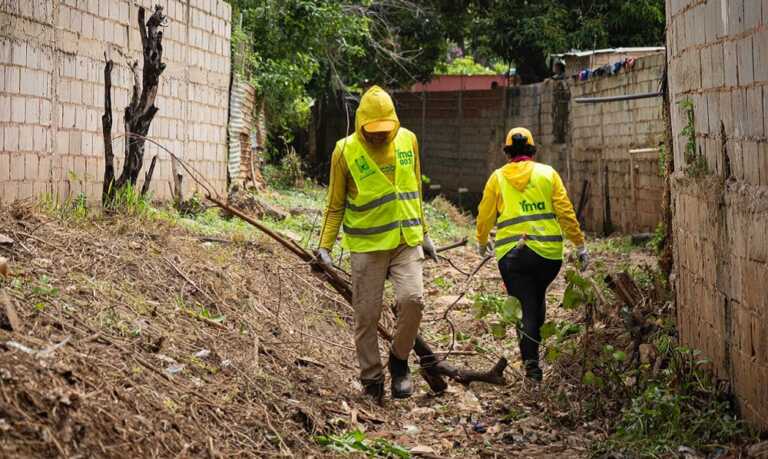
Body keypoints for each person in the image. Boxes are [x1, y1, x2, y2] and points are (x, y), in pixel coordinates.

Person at [316, 85, 438, 402]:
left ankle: (399, 362)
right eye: (373, 132)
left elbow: (415, 191)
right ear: (361, 125)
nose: (380, 137)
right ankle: (371, 379)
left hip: (405, 239)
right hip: (367, 245)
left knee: (413, 300)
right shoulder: (345, 151)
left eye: (386, 131)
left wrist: (424, 234)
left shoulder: (408, 140)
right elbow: (334, 204)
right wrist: (325, 246)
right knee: (366, 316)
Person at [476, 127, 587, 381]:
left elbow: (485, 215)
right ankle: (534, 360)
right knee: (536, 300)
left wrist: (482, 241)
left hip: (512, 256)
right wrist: (579, 245)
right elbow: (566, 212)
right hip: (548, 256)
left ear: (507, 152)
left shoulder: (498, 178)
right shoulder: (548, 174)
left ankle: (532, 366)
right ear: (531, 150)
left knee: (525, 305)